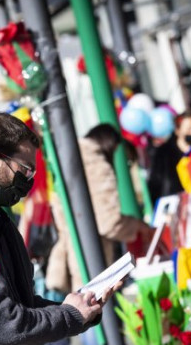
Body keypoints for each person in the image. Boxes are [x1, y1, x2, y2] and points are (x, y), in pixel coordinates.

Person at [0, 113, 118, 345]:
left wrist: (79, 308)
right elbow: (3, 325)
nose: (28, 181)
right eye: (25, 170)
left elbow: (21, 304)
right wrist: (70, 315)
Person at [45, 125, 152, 296]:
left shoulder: (69, 158)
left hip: (72, 252)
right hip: (93, 254)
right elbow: (109, 223)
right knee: (94, 310)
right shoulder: (98, 166)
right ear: (109, 144)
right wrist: (136, 225)